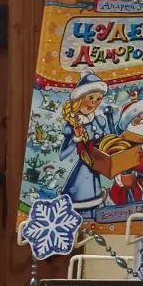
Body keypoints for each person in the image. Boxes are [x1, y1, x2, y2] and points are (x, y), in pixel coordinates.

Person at [59, 72, 113, 211]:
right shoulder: (71, 126)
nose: (94, 103)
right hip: (82, 174)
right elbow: (62, 155)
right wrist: (76, 138)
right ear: (80, 98)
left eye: (99, 99)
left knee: (95, 205)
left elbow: (108, 142)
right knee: (80, 206)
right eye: (91, 98)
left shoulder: (99, 121)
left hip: (96, 170)